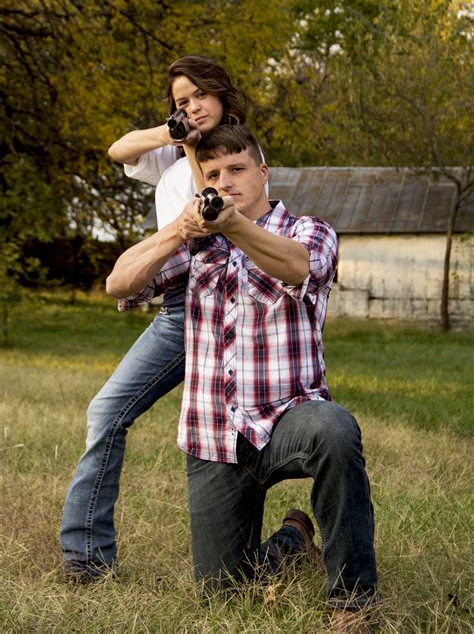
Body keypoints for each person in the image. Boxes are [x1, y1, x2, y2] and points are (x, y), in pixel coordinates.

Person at [107, 125, 378, 626]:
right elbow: (118, 282)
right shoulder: (195, 247)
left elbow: (298, 268)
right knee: (224, 598)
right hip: (212, 437)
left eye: (237, 169)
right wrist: (178, 231)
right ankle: (293, 541)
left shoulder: (308, 230)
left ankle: (353, 601)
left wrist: (235, 226)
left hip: (289, 419)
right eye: (213, 173)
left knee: (336, 431)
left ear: (263, 172)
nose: (225, 180)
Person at [60, 56, 247, 581]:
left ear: (221, 93)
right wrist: (171, 131)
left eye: (199, 97)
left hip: (219, 304)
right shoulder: (168, 151)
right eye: (181, 101)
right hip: (175, 309)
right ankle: (86, 557)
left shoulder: (237, 152)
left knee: (243, 441)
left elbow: (208, 206)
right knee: (106, 412)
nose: (192, 107)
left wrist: (190, 148)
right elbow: (119, 148)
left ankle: (278, 541)